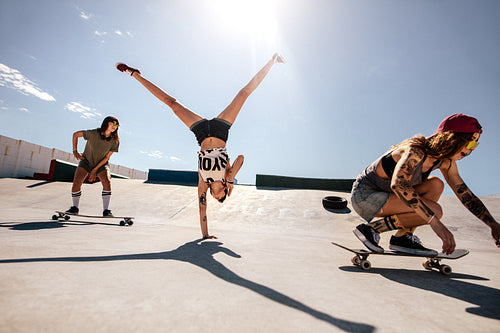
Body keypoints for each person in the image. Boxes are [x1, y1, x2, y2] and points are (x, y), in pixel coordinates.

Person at [116, 54, 285, 239]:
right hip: (221, 131)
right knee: (243, 95)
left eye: (214, 198)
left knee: (172, 104)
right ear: (224, 193)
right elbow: (241, 158)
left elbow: (202, 211)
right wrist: (230, 180)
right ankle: (272, 61)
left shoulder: (204, 183)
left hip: (202, 134)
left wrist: (205, 235)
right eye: (218, 197)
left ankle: (135, 75)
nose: (213, 197)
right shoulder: (228, 176)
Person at [351, 113, 500, 255]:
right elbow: (399, 184)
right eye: (471, 142)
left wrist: (493, 225)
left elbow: (466, 196)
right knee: (435, 211)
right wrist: (434, 222)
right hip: (365, 196)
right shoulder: (415, 150)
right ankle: (371, 229)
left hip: (387, 197)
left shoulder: (446, 163)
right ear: (453, 139)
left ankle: (403, 237)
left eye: (476, 144)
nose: (471, 150)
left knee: (436, 184)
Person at [66, 116, 120, 217]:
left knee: (107, 181)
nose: (115, 126)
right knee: (77, 181)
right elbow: (75, 135)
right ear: (106, 123)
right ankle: (74, 208)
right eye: (112, 123)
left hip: (101, 164)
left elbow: (107, 157)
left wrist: (95, 170)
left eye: (117, 125)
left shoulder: (115, 141)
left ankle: (106, 210)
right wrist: (75, 151)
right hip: (86, 161)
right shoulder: (93, 133)